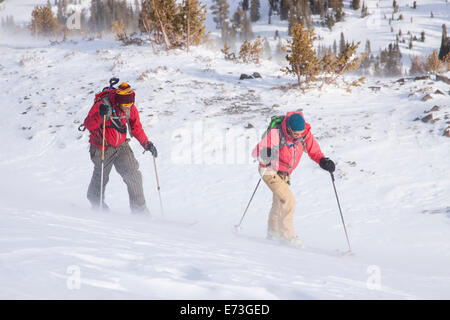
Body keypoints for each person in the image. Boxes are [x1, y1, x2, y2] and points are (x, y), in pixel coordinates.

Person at [252, 112, 335, 246]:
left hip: (284, 174)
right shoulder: (277, 133)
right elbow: (257, 153)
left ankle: (273, 232)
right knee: (288, 201)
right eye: (296, 133)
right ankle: (288, 237)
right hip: (268, 170)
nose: (299, 135)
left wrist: (323, 161)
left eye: (301, 132)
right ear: (289, 129)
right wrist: (266, 153)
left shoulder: (305, 134)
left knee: (279, 202)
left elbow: (314, 151)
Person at [83, 82, 158, 213]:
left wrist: (146, 144)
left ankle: (139, 211)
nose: (128, 108)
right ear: (118, 102)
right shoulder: (102, 105)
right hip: (102, 147)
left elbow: (136, 128)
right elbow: (88, 124)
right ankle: (96, 203)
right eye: (125, 105)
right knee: (101, 176)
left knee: (133, 175)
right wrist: (100, 115)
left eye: (130, 105)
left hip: (122, 146)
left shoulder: (131, 108)